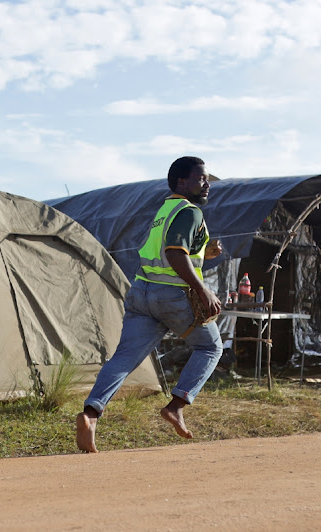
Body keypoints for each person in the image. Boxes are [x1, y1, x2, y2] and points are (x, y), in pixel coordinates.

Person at [76, 156, 224, 453]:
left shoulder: (165, 210)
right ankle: (177, 405)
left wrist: (206, 254)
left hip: (142, 293)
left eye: (207, 179)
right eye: (200, 178)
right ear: (182, 182)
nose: (206, 184)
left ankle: (91, 414)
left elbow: (172, 251)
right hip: (172, 296)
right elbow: (174, 254)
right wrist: (202, 289)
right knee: (210, 347)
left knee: (124, 359)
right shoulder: (190, 212)